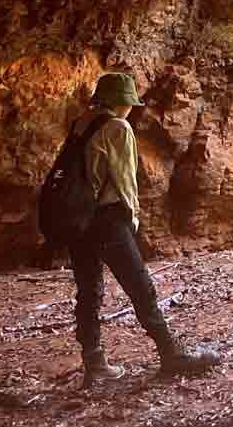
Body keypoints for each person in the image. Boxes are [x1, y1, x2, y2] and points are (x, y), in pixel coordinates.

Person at [67, 73, 221, 388]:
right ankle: (171, 354)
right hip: (107, 218)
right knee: (141, 287)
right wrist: (133, 216)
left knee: (89, 290)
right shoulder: (117, 127)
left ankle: (94, 363)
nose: (130, 109)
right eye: (129, 102)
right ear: (120, 102)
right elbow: (124, 178)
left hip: (77, 218)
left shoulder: (82, 123)